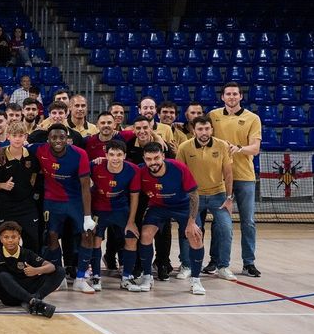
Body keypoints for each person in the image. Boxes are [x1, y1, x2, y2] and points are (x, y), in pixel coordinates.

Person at [132, 142, 206, 295]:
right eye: (149, 159)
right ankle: (147, 277)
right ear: (144, 159)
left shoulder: (178, 168)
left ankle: (196, 280)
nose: (153, 162)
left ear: (163, 156)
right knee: (145, 235)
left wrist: (191, 222)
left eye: (156, 158)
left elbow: (194, 195)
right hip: (159, 207)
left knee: (196, 236)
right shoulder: (140, 171)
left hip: (183, 206)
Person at [207, 82, 262, 277]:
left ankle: (249, 262)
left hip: (245, 176)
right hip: (221, 178)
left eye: (235, 94)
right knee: (219, 221)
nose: (231, 97)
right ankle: (214, 261)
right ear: (222, 97)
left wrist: (238, 148)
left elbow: (255, 148)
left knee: (247, 221)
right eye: (228, 94)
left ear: (241, 97)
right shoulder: (213, 115)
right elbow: (200, 131)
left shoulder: (252, 118)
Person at [32, 124, 93, 292]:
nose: (58, 141)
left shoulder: (80, 154)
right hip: (52, 201)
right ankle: (59, 277)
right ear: (48, 139)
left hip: (75, 201)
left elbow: (85, 187)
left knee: (87, 234)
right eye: (54, 137)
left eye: (61, 137)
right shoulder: (39, 150)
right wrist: (1, 151)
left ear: (67, 138)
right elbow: (18, 146)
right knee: (51, 237)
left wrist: (88, 216)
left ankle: (80, 278)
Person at [177, 116, 237, 282]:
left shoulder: (222, 145)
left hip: (218, 195)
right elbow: (179, 175)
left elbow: (228, 172)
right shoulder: (184, 147)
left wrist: (229, 197)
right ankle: (187, 265)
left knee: (226, 229)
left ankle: (223, 266)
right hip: (193, 196)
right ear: (193, 130)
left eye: (207, 129)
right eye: (200, 129)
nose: (204, 132)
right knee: (192, 230)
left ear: (211, 129)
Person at [82, 139, 141, 292]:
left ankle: (127, 277)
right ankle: (96, 276)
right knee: (95, 240)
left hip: (121, 209)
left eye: (119, 155)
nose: (115, 158)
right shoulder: (94, 165)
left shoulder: (133, 169)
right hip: (99, 209)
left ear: (125, 155)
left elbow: (135, 196)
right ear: (105, 155)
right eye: (112, 154)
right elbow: (82, 183)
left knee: (131, 238)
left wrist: (131, 221)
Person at [0, 221, 60, 318]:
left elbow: (51, 267)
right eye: (6, 237)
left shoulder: (27, 253)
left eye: (13, 237)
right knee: (2, 276)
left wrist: (37, 270)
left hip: (28, 288)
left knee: (59, 271)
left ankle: (34, 300)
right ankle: (32, 301)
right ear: (1, 239)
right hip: (9, 297)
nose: (10, 240)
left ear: (19, 237)